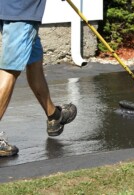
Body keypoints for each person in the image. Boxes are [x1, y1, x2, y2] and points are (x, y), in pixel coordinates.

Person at [0, 0, 77, 157]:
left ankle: (54, 116)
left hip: (12, 9)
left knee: (34, 63)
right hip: (22, 10)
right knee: (10, 70)